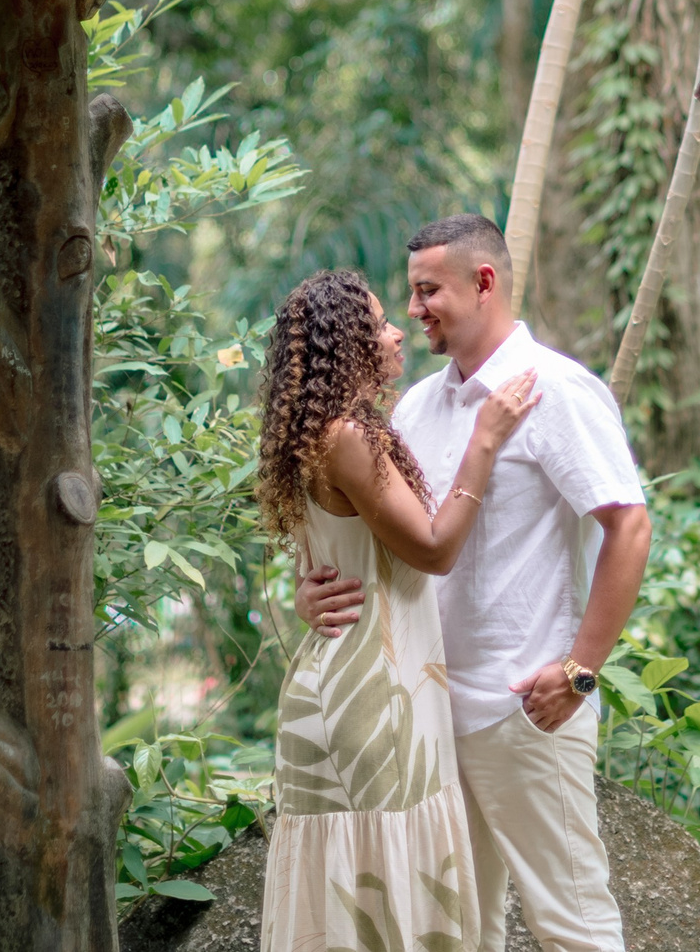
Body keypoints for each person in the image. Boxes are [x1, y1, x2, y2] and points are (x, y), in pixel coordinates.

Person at [298, 215, 652, 952]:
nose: (416, 308)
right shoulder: (416, 407)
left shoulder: (555, 389)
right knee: (461, 934)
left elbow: (629, 525)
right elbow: (388, 539)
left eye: (428, 290)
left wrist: (581, 669)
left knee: (574, 925)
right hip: (425, 718)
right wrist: (312, 592)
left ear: (482, 282)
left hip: (524, 708)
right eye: (411, 294)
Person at [254, 267, 541, 952]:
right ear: (349, 344)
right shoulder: (348, 435)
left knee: (343, 917)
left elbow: (324, 565)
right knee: (385, 910)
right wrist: (485, 440)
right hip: (375, 703)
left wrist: (303, 596)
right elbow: (435, 551)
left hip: (333, 689)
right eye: (380, 322)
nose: (395, 331)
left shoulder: (307, 435)